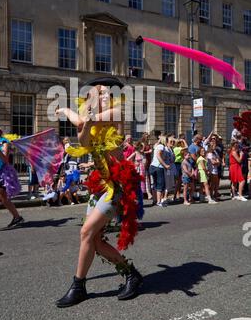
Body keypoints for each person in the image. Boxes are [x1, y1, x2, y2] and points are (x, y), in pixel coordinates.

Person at [54, 77, 143, 307]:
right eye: (96, 93)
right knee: (93, 239)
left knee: (86, 232)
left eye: (103, 93)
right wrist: (68, 110)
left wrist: (78, 113)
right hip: (100, 184)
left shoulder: (117, 113)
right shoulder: (90, 121)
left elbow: (87, 120)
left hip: (117, 185)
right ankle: (130, 274)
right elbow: (82, 134)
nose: (100, 95)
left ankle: (78, 284)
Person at [150, 135, 169, 207]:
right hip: (158, 167)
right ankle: (158, 201)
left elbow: (155, 147)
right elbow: (158, 155)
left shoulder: (156, 146)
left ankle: (155, 200)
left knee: (155, 184)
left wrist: (159, 139)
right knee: (160, 184)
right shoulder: (161, 146)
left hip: (152, 166)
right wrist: (165, 165)